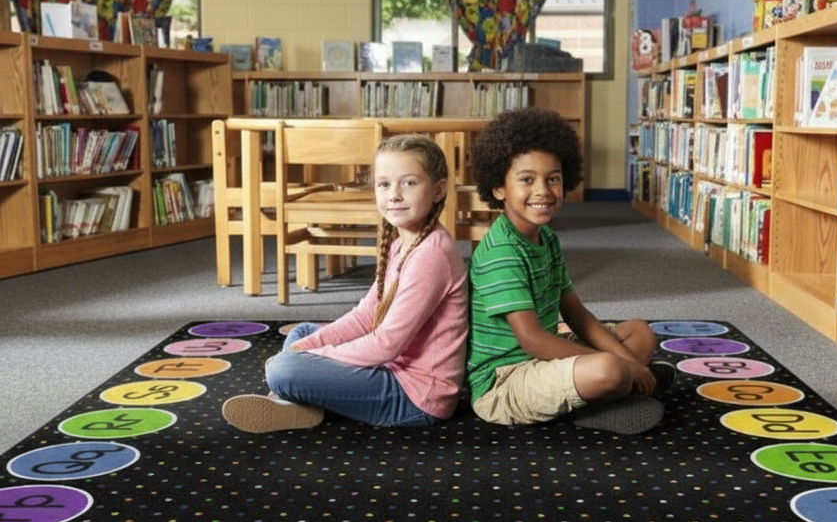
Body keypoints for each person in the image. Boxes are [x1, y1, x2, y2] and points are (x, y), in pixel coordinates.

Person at [222, 133, 468, 433]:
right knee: (301, 332)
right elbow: (367, 315)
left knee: (284, 369)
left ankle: (292, 397)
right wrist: (306, 348)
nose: (394, 195)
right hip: (390, 370)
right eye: (384, 184)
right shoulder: (402, 243)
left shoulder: (431, 255)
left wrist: (308, 357)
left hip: (414, 398)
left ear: (439, 190)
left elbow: (386, 344)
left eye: (409, 183)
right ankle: (296, 405)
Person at [466, 107, 672, 436]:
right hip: (505, 382)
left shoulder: (546, 238)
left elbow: (576, 312)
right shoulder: (501, 252)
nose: (543, 190)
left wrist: (628, 361)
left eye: (553, 178)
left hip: (546, 358)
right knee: (609, 368)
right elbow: (532, 340)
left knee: (639, 332)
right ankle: (611, 393)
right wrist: (621, 364)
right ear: (499, 188)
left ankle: (612, 391)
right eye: (526, 179)